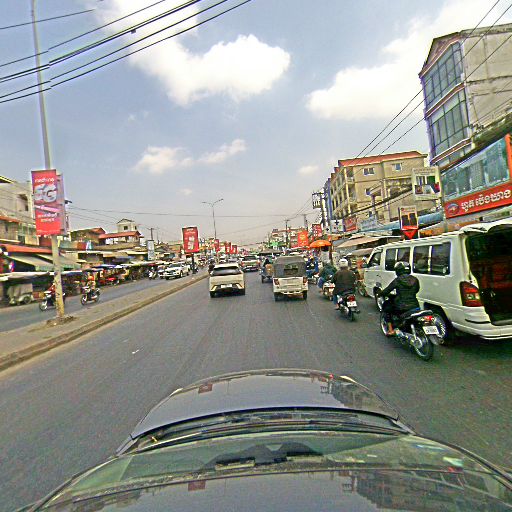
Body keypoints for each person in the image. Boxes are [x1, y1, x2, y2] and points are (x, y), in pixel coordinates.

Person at [378, 261, 420, 335]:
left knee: (387, 309)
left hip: (401, 307)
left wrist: (380, 294)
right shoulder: (415, 279)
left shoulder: (397, 280)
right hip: (415, 306)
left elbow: (387, 290)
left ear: (398, 270)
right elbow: (416, 290)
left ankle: (391, 330)